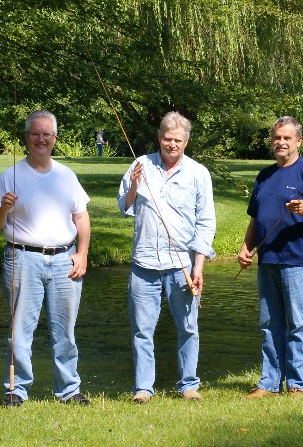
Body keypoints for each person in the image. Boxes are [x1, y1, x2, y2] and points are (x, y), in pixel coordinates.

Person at [0, 110, 92, 407]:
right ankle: (16, 390)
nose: (41, 139)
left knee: (65, 331)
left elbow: (81, 216)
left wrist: (82, 254)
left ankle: (69, 390)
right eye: (35, 134)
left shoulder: (66, 176)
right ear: (26, 138)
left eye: (47, 134)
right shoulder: (11, 176)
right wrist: (4, 207)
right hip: (22, 259)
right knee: (19, 331)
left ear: (55, 139)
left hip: (64, 260)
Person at [117, 111, 216, 403]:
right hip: (143, 263)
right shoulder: (140, 164)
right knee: (141, 330)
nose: (172, 144)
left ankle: (188, 385)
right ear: (159, 138)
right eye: (166, 138)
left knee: (187, 327)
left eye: (178, 140)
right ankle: (143, 389)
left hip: (180, 265)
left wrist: (198, 266)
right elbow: (124, 207)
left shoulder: (199, 173)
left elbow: (206, 222)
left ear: (186, 142)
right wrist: (134, 185)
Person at [237, 116, 303, 398]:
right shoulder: (264, 176)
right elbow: (256, 217)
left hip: (298, 261)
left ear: (299, 142)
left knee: (297, 324)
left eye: (287, 138)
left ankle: (295, 384)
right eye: (277, 137)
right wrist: (245, 247)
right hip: (268, 261)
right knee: (269, 325)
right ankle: (268, 383)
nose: (281, 142)